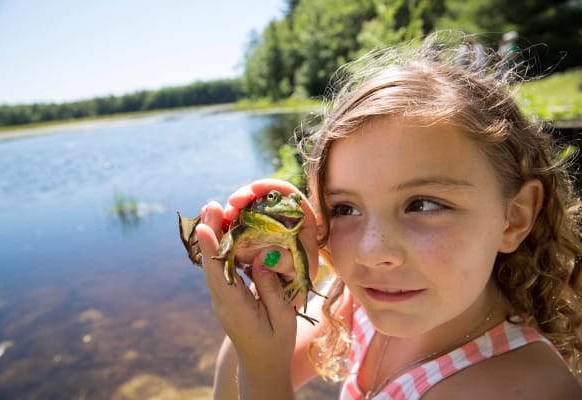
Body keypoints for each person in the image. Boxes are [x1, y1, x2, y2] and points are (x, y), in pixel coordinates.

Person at [194, 32, 582, 399]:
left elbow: (258, 374)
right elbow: (248, 365)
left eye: (423, 204)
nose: (372, 252)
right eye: (344, 208)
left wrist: (263, 373)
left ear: (514, 217)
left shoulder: (523, 388)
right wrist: (270, 305)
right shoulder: (358, 302)